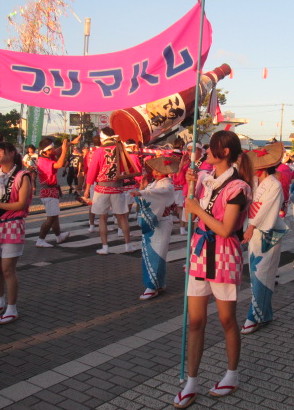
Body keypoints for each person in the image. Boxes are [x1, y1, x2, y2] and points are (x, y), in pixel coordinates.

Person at [174, 130, 252, 408]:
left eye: (211, 147)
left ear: (226, 151)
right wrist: (190, 187)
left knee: (227, 320)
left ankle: (232, 374)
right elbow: (189, 213)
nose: (206, 151)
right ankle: (192, 380)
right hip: (199, 252)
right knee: (195, 321)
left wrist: (196, 209)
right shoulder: (205, 179)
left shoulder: (239, 187)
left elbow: (225, 228)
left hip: (224, 254)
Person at [0, 142, 33, 324]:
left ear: (12, 153)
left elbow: (21, 204)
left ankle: (12, 307)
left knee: (8, 269)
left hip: (12, 224)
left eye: (0, 151)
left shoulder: (22, 175)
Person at [241, 142, 287, 335]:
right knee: (256, 272)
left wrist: (251, 226)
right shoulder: (254, 181)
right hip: (255, 231)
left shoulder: (274, 184)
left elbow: (267, 207)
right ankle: (265, 314)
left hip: (267, 232)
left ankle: (255, 315)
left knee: (262, 273)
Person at [130, 156, 178, 300]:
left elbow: (156, 194)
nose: (156, 173)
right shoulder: (155, 183)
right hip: (154, 221)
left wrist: (142, 192)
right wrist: (143, 189)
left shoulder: (167, 185)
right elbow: (148, 195)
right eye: (155, 170)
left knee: (157, 253)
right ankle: (158, 284)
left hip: (162, 221)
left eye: (159, 170)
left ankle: (152, 285)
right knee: (152, 253)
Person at [84, 127, 134, 254]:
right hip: (117, 187)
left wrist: (87, 189)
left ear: (102, 138)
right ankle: (128, 245)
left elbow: (92, 171)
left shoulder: (99, 151)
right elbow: (126, 167)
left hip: (102, 188)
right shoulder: (120, 149)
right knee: (122, 217)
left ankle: (105, 247)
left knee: (102, 218)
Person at [35, 137, 70, 247]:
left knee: (54, 216)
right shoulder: (43, 161)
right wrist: (65, 150)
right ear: (45, 150)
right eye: (51, 149)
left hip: (51, 190)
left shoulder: (46, 156)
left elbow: (57, 150)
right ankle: (40, 240)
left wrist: (69, 144)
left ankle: (59, 236)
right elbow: (59, 165)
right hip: (48, 191)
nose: (53, 150)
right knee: (50, 218)